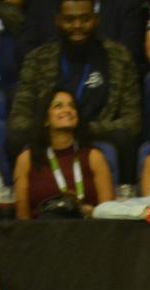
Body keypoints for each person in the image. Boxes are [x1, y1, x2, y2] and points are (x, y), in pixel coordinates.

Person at [7, 0, 142, 170]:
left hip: (96, 131)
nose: (77, 26)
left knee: (124, 138)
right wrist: (53, 126)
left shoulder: (119, 56)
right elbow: (18, 118)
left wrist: (82, 128)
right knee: (16, 137)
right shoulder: (37, 58)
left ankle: (125, 191)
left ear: (96, 19)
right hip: (50, 130)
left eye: (85, 19)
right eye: (69, 20)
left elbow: (132, 121)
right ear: (57, 21)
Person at [14, 88, 114, 217]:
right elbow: (22, 218)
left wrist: (90, 212)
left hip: (88, 231)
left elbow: (109, 213)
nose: (67, 110)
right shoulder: (27, 158)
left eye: (72, 106)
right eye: (58, 106)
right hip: (41, 233)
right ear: (46, 119)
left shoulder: (94, 157)